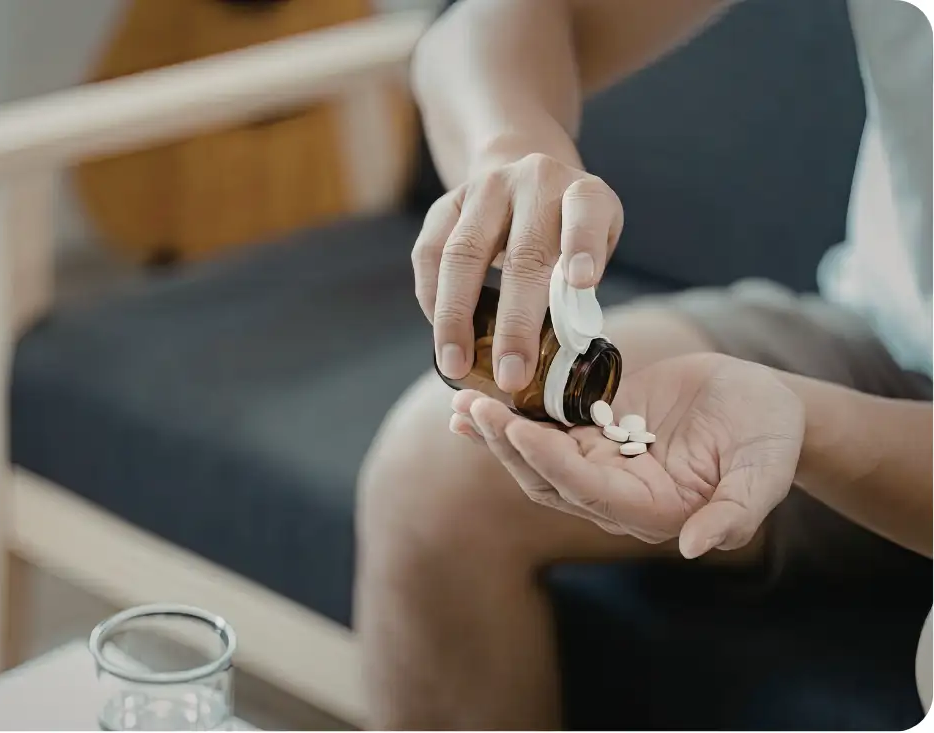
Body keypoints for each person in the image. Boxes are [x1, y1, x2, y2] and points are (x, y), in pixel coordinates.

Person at [353, 0, 933, 728]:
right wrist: (508, 148)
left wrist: (807, 422)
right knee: (429, 475)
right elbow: (489, 24)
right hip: (892, 329)